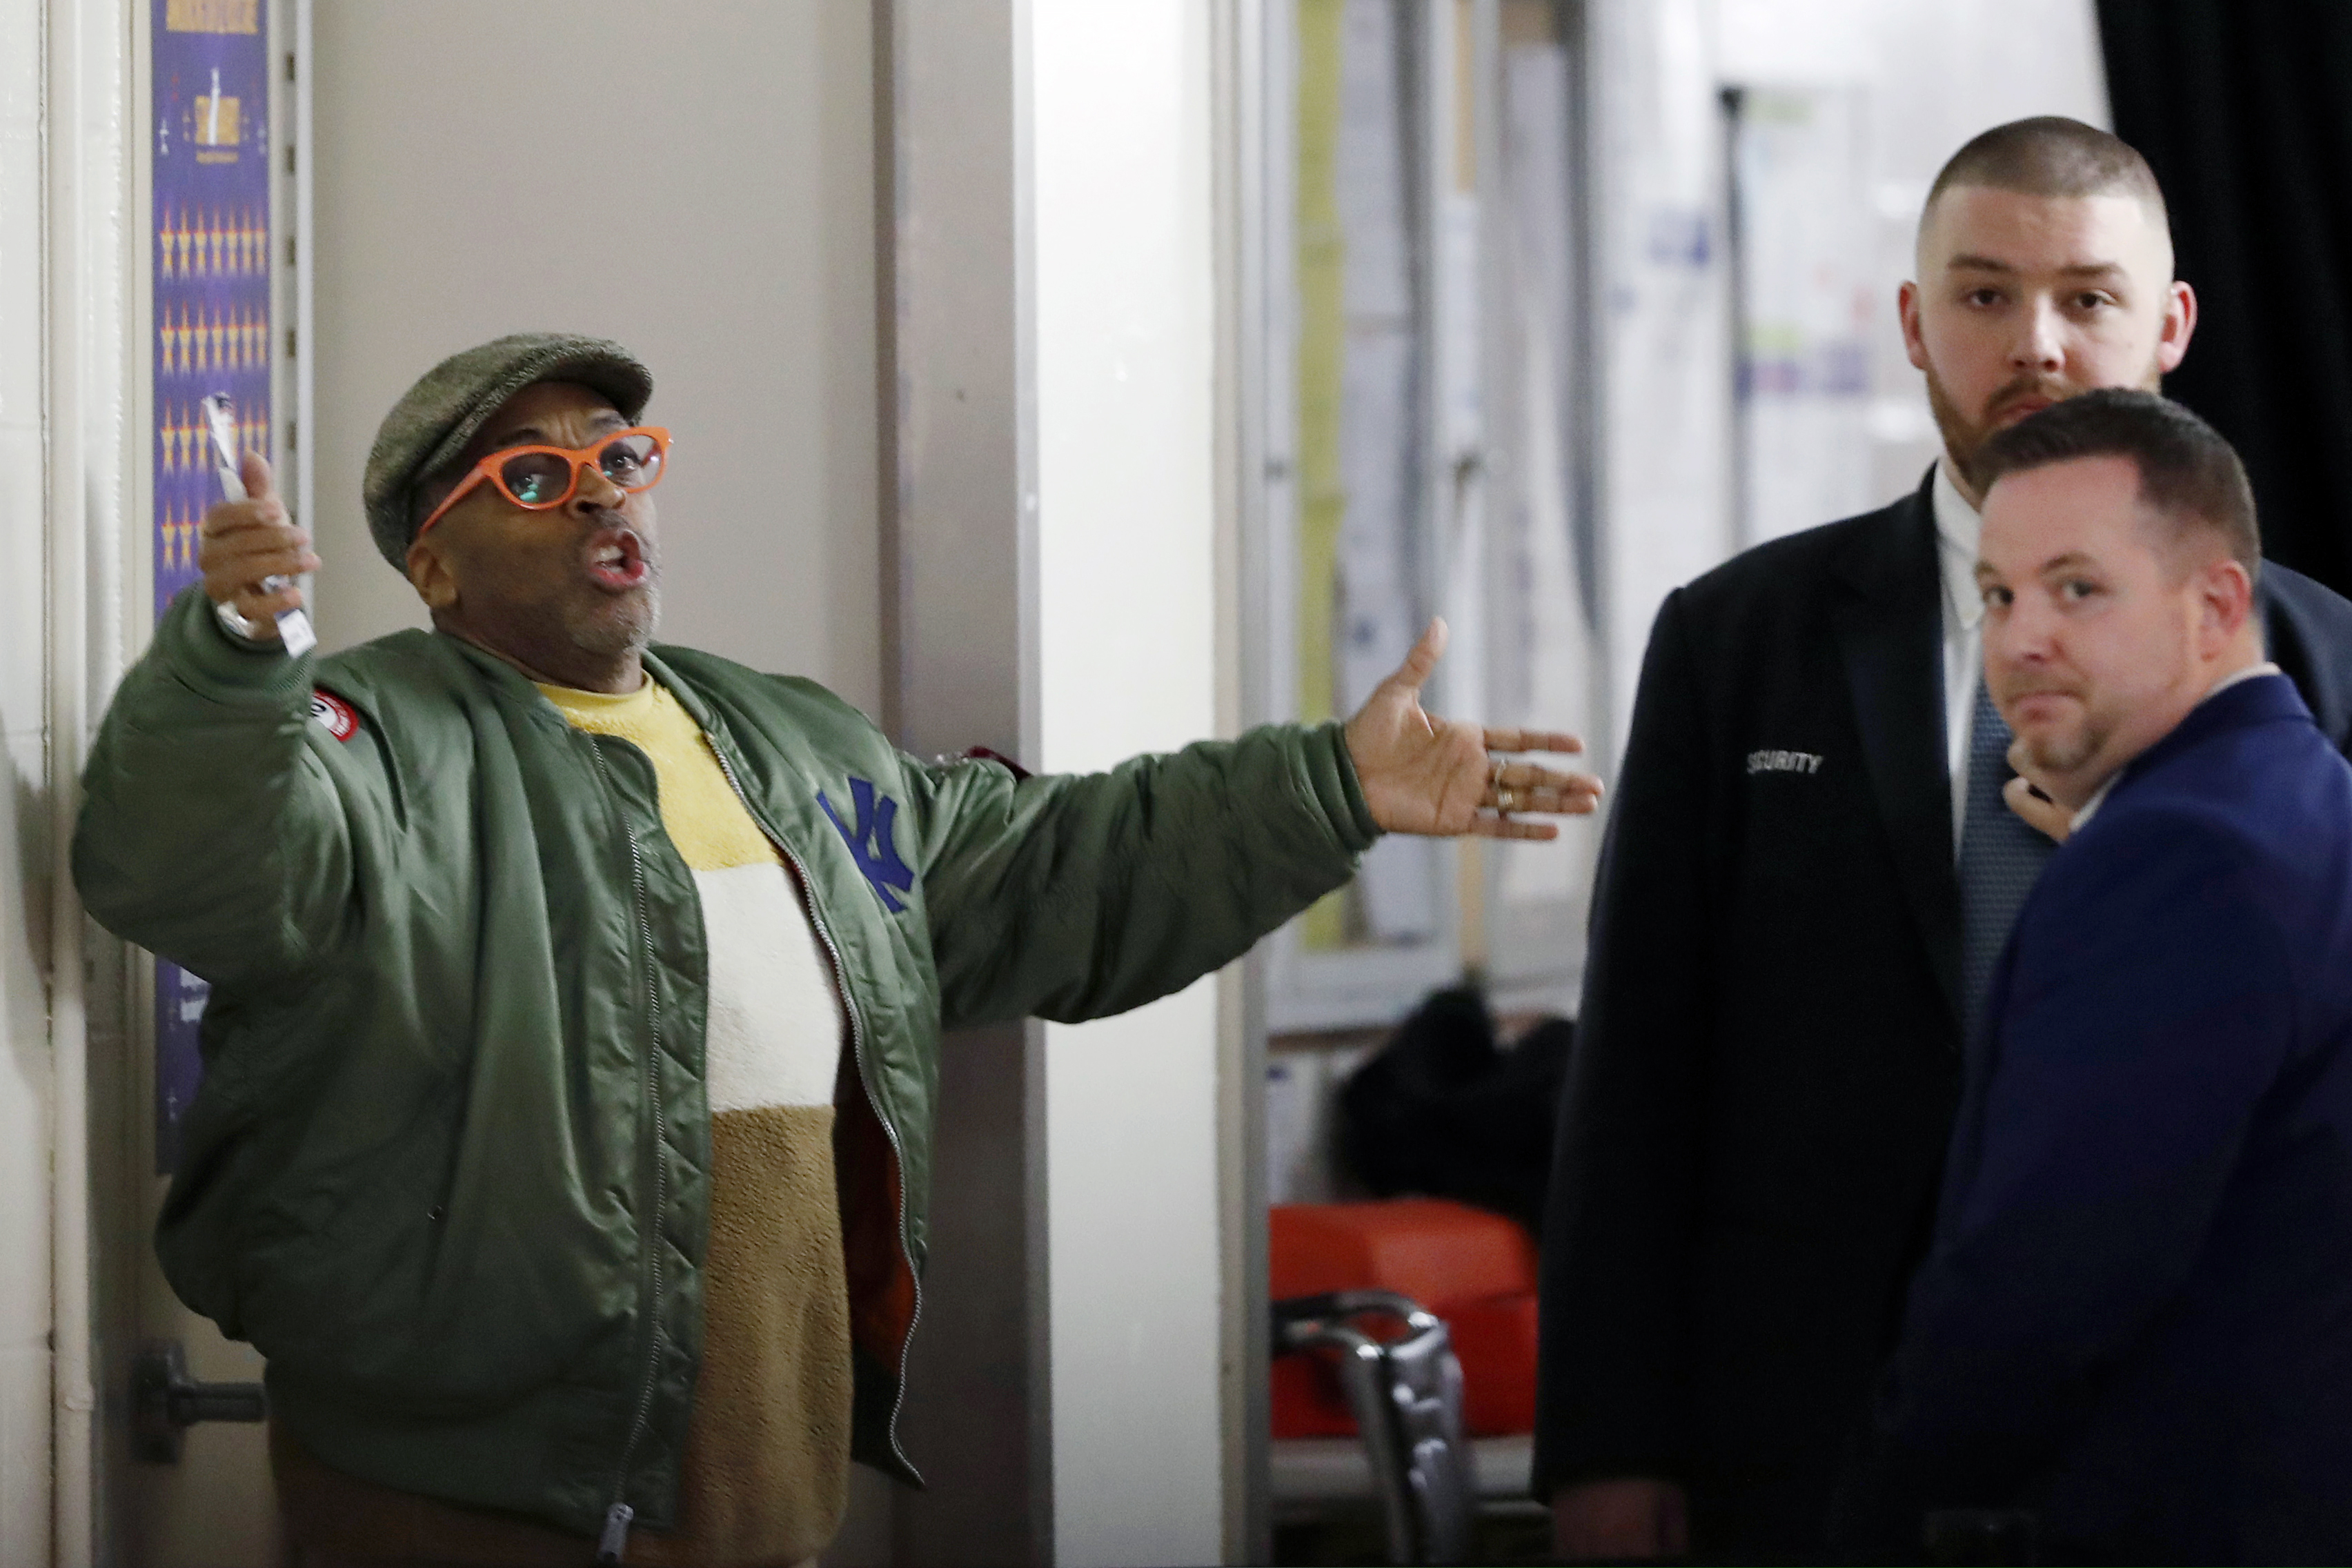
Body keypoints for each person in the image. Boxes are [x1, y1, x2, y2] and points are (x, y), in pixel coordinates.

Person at [75, 333, 1602, 1568]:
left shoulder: (791, 741)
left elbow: (1057, 869)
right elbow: (194, 861)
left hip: (767, 1488)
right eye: (535, 476)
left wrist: (1331, 788)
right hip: (463, 1496)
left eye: (622, 457)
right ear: (436, 564)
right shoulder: (369, 743)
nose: (605, 497)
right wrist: (231, 662)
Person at [1535, 117, 2352, 1561]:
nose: (2037, 343)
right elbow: (1643, 1054)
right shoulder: (1741, 635)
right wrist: (1606, 1441)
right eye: (1984, 296)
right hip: (1800, 1417)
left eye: (2088, 299)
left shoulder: (2314, 651)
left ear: (2168, 328)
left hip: (2206, 1430)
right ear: (1914, 325)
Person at [1835, 389, 2352, 1565]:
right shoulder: (2300, 796)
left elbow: (2043, 1290)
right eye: (2000, 594)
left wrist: (1880, 1517)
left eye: (2078, 589)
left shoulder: (2182, 852)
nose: (2021, 640)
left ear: (2217, 603)